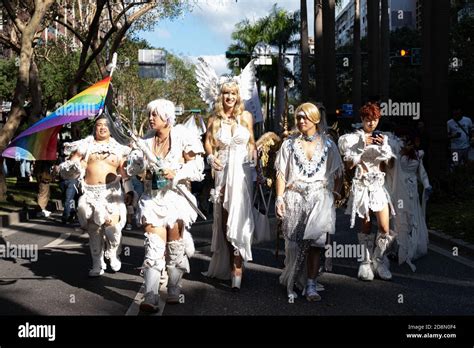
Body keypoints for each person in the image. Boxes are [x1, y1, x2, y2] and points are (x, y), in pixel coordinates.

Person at [126, 98, 205, 312]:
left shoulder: (181, 136)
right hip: (152, 198)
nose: (150, 118)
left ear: (167, 118)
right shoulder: (146, 140)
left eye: (155, 115)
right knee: (153, 247)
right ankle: (150, 295)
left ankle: (173, 288)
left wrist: (176, 173)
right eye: (150, 114)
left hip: (176, 198)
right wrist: (138, 164)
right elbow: (132, 169)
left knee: (175, 247)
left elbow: (198, 166)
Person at [274, 103, 343, 301]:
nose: (301, 121)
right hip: (294, 197)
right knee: (294, 244)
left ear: (316, 119)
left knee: (315, 243)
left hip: (319, 198)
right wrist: (279, 198)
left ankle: (311, 284)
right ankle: (295, 278)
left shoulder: (329, 144)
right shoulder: (289, 144)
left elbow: (338, 174)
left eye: (305, 117)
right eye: (298, 117)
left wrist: (334, 196)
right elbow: (280, 173)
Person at [59, 115, 131, 277]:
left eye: (105, 125)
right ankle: (97, 263)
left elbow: (124, 172)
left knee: (112, 228)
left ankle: (112, 252)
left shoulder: (119, 147)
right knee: (94, 229)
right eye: (99, 125)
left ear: (111, 128)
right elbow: (74, 163)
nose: (102, 127)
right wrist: (72, 166)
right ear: (95, 128)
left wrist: (129, 190)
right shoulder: (86, 145)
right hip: (90, 192)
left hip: (111, 192)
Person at [202, 79, 256, 290]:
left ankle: (237, 267)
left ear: (238, 95)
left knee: (239, 218)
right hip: (223, 171)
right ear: (221, 96)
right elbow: (208, 141)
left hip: (241, 172)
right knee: (224, 220)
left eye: (233, 93)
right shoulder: (214, 118)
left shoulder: (246, 117)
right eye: (226, 93)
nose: (230, 97)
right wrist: (210, 157)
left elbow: (251, 142)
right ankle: (228, 260)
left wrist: (255, 159)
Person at [338, 102, 397, 281]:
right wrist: (363, 145)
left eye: (375, 119)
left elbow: (390, 165)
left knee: (385, 228)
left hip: (379, 186)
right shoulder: (352, 139)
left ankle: (378, 260)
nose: (371, 123)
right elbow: (349, 164)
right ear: (362, 119)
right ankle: (365, 262)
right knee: (365, 225)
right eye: (368, 119)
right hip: (362, 185)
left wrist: (386, 150)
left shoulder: (384, 139)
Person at [390, 132, 432, 272]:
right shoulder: (396, 153)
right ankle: (399, 248)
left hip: (412, 189)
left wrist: (426, 185)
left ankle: (412, 248)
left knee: (413, 215)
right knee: (401, 217)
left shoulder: (418, 155)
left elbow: (422, 172)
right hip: (400, 189)